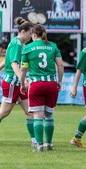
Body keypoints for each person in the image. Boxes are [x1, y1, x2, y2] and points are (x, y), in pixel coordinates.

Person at [19, 24, 64, 152]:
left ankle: (39, 145)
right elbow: (60, 66)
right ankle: (49, 144)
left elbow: (23, 69)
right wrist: (59, 81)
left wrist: (22, 84)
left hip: (36, 85)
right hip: (51, 85)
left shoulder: (28, 48)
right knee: (49, 115)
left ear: (33, 34)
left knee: (38, 116)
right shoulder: (53, 46)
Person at [0, 17, 35, 146]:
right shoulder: (17, 44)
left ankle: (35, 141)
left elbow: (6, 58)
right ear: (23, 31)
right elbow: (13, 64)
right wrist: (23, 81)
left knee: (30, 112)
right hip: (13, 83)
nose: (31, 36)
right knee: (3, 112)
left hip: (17, 83)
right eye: (30, 33)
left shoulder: (19, 44)